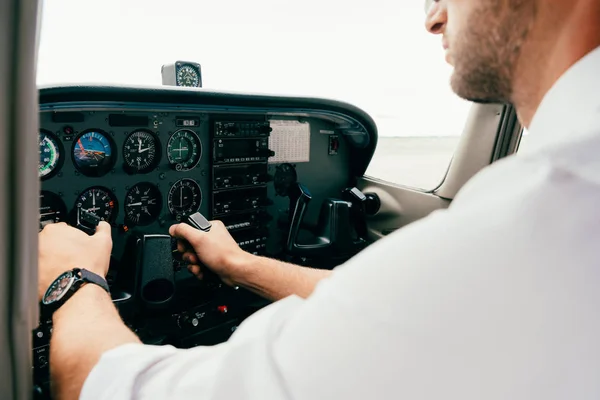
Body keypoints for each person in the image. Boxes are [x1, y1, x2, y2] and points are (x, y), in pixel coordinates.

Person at [38, 0, 600, 398]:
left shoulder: (536, 223)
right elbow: (390, 298)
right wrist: (241, 264)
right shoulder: (544, 221)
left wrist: (72, 282)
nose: (433, 17)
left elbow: (110, 388)